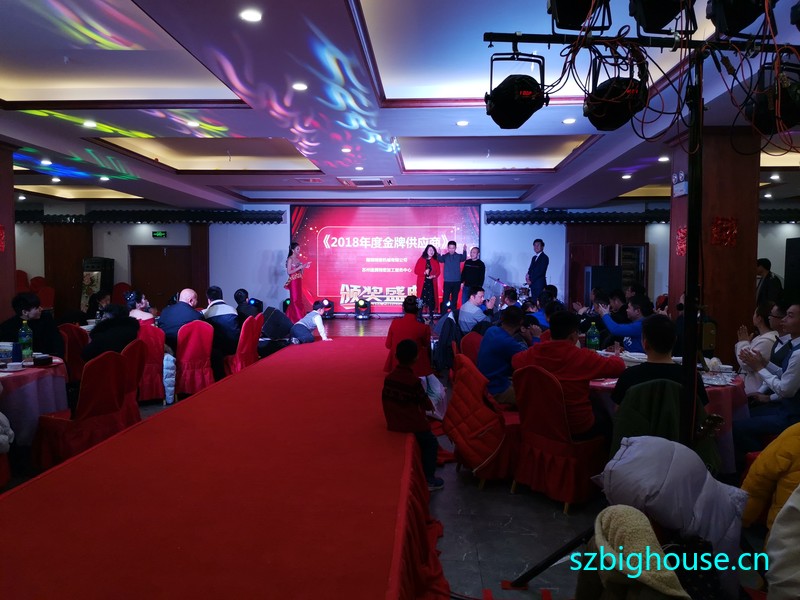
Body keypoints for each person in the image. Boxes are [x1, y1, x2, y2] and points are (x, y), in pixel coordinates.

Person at [513, 310, 625, 439]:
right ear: (573, 336)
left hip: (540, 422)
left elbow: (515, 361)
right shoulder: (581, 357)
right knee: (607, 417)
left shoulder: (534, 353)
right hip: (575, 426)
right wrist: (616, 355)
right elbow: (619, 367)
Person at [736, 301, 800, 458]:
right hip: (785, 409)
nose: (783, 319)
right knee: (744, 413)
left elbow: (785, 390)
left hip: (792, 417)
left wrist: (759, 368)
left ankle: (762, 460)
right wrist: (764, 363)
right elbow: (784, 374)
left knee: (737, 427)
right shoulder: (794, 347)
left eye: (790, 316)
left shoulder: (798, 353)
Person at [381, 339, 443, 492]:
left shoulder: (389, 378)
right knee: (431, 443)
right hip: (410, 422)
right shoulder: (413, 381)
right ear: (416, 358)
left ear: (396, 356)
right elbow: (426, 404)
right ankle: (429, 479)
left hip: (392, 420)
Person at [611, 314, 708, 407]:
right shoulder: (691, 377)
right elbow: (703, 413)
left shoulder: (628, 376)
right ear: (675, 341)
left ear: (644, 343)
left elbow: (619, 412)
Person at [476, 306, 533, 406]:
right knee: (535, 396)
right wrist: (534, 338)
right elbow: (530, 359)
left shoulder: (491, 330)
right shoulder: (509, 343)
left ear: (502, 318)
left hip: (484, 382)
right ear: (521, 322)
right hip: (495, 389)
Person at [734, 300, 779, 395]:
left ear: (759, 318)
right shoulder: (760, 337)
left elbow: (746, 364)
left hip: (756, 389)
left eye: (755, 313)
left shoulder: (767, 340)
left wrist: (743, 342)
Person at [0, 292, 64, 357]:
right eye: (37, 308)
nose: (41, 309)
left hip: (46, 358)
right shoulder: (8, 326)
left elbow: (58, 343)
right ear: (25, 312)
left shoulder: (46, 318)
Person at [384, 295, 432, 377]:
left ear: (403, 308)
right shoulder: (423, 327)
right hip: (416, 366)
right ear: (418, 309)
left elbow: (388, 345)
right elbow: (426, 344)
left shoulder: (395, 323)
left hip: (397, 364)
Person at [157, 288, 204, 352]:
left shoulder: (165, 311)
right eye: (196, 300)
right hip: (184, 351)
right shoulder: (196, 316)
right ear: (191, 301)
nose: (197, 302)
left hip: (164, 349)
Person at [414, 245, 441, 323]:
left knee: (431, 299)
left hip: (431, 283)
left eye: (433, 250)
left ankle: (431, 316)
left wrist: (433, 276)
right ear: (426, 251)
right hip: (423, 283)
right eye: (430, 250)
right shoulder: (421, 259)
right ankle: (419, 316)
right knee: (421, 299)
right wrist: (424, 272)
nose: (431, 252)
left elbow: (438, 272)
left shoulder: (435, 261)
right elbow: (416, 271)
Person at [437, 241, 467, 311]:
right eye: (450, 248)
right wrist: (438, 253)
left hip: (457, 281)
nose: (451, 249)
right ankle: (444, 314)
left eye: (453, 248)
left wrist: (464, 250)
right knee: (445, 299)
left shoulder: (458, 256)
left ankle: (453, 314)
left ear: (455, 248)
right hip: (447, 281)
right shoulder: (445, 256)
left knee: (454, 299)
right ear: (448, 248)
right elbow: (440, 260)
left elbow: (463, 258)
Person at [285, 241, 310, 323]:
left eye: (299, 249)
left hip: (298, 281)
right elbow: (289, 272)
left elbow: (301, 273)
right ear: (293, 250)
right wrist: (299, 267)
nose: (299, 250)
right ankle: (297, 318)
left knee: (299, 300)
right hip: (293, 282)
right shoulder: (290, 259)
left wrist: (304, 267)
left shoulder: (298, 259)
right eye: (297, 249)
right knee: (294, 300)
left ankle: (297, 317)